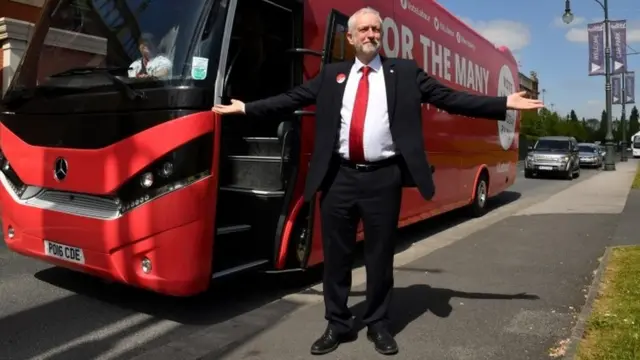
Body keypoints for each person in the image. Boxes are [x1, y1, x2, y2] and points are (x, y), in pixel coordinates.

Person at [212, 7, 543, 356]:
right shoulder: (332, 75)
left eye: (376, 29)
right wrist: (246, 109)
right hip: (339, 176)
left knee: (379, 257)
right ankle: (337, 324)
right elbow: (290, 99)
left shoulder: (404, 73)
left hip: (382, 179)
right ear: (350, 38)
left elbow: (450, 98)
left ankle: (379, 324)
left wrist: (504, 101)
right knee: (337, 258)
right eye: (364, 30)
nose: (371, 34)